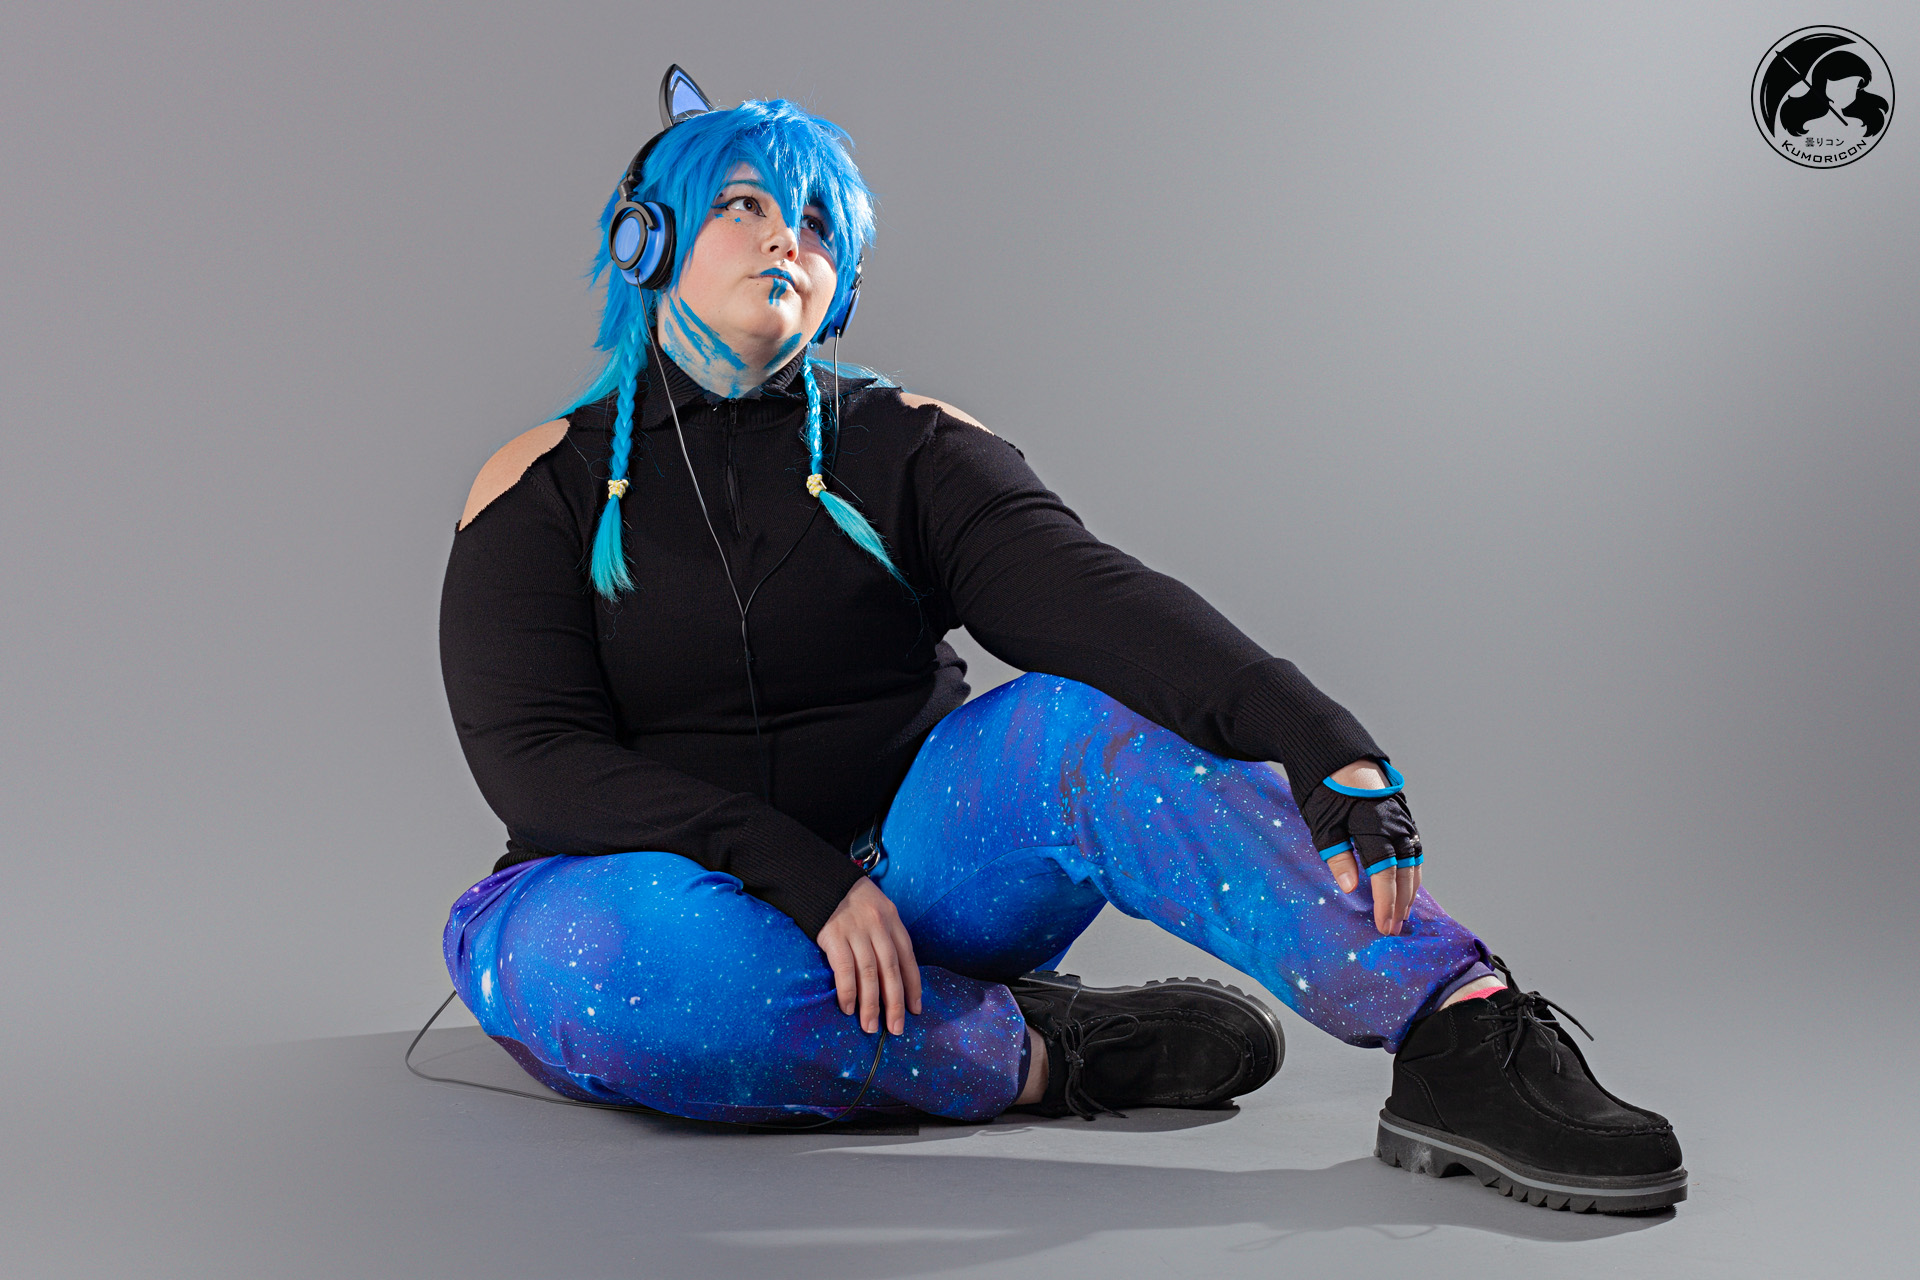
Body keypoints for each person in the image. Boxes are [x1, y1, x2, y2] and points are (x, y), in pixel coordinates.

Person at [436, 70, 1685, 1214]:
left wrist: (1314, 732)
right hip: (635, 895)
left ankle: (1456, 1022)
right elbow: (536, 759)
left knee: (1077, 722)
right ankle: (1039, 1052)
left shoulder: (910, 441)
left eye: (815, 222)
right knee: (627, 967)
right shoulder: (539, 485)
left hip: (908, 891)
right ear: (644, 238)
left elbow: (1090, 602)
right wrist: (788, 871)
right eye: (745, 205)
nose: (785, 241)